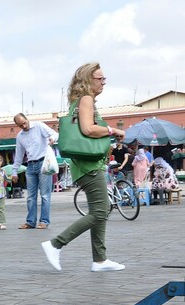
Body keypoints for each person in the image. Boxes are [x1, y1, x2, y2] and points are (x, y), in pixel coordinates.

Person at [41, 62, 127, 273]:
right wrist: (112, 130)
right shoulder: (86, 99)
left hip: (87, 164)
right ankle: (56, 243)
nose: (103, 82)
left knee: (99, 210)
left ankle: (99, 259)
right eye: (100, 79)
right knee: (101, 211)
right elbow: (88, 129)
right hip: (89, 166)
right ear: (88, 80)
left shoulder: (80, 102)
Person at [12, 113, 58, 230]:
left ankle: (44, 221)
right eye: (20, 125)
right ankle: (31, 221)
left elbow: (54, 133)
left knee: (45, 195)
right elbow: (19, 155)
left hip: (43, 163)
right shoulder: (20, 136)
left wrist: (52, 139)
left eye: (24, 123)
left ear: (27, 119)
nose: (24, 126)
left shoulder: (39, 126)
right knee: (30, 197)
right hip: (30, 165)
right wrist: (14, 171)